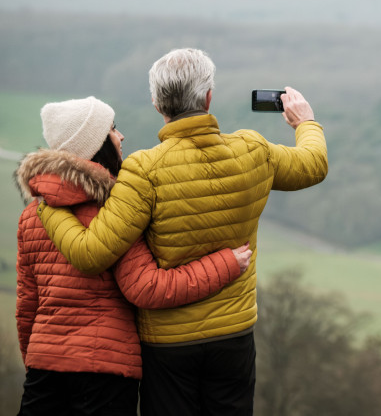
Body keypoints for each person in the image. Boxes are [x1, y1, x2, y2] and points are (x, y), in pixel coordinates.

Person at [38, 48, 328, 415]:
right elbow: (314, 165)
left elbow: (90, 253)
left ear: (157, 103)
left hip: (168, 344)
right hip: (234, 336)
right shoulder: (254, 150)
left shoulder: (143, 169)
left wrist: (49, 207)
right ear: (208, 98)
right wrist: (305, 122)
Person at [16, 96, 253, 415]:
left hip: (44, 367)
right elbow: (147, 287)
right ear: (95, 144)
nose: (121, 136)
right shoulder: (115, 210)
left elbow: (27, 305)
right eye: (113, 129)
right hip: (106, 370)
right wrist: (225, 263)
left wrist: (39, 357)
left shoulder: (34, 213)